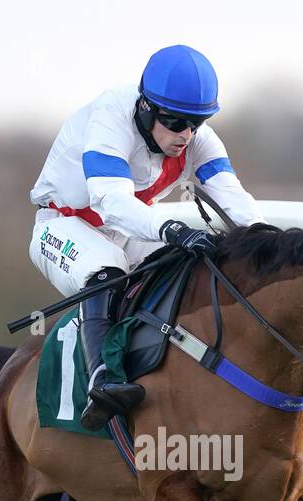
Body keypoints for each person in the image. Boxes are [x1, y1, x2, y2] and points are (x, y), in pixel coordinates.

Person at [28, 44, 265, 430]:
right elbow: (110, 200)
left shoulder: (194, 136)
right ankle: (102, 379)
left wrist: (264, 239)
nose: (186, 135)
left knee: (188, 264)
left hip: (126, 227)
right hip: (62, 226)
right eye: (175, 123)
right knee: (107, 268)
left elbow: (232, 196)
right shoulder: (110, 118)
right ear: (145, 108)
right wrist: (170, 229)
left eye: (196, 123)